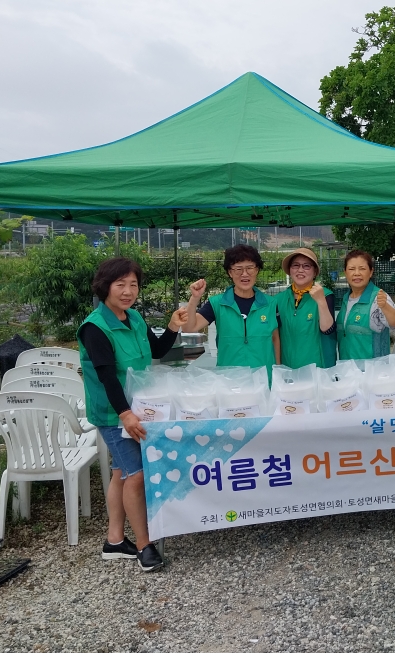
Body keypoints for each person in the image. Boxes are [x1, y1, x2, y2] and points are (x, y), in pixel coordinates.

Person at [78, 257, 187, 572]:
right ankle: (144, 544)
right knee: (137, 475)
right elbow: (107, 377)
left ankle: (114, 540)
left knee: (121, 473)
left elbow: (158, 351)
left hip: (137, 409)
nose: (128, 291)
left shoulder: (134, 317)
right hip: (114, 414)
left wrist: (173, 325)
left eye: (133, 285)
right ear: (105, 287)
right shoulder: (95, 328)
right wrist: (125, 414)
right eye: (120, 284)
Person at [183, 244, 277, 373]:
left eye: (250, 268)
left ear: (257, 270)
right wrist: (194, 298)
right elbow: (189, 328)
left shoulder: (270, 304)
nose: (245, 274)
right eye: (238, 269)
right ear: (230, 272)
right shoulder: (217, 303)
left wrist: (278, 371)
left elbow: (275, 339)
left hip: (263, 377)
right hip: (229, 377)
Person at [273, 248, 337, 369]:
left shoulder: (326, 295)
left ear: (315, 271)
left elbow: (327, 329)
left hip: (317, 369)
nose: (300, 270)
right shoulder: (278, 300)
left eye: (306, 266)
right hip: (288, 369)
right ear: (290, 270)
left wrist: (321, 301)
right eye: (295, 265)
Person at [336, 249, 395, 360]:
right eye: (351, 269)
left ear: (371, 272)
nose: (357, 273)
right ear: (345, 272)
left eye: (362, 269)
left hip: (373, 368)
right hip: (347, 367)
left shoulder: (378, 297)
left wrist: (385, 306)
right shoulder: (346, 299)